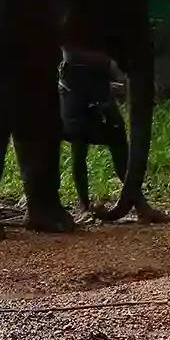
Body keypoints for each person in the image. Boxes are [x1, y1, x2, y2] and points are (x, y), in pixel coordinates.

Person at [59, 48, 130, 215]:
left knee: (119, 140)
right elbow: (71, 53)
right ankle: (84, 204)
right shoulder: (71, 29)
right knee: (78, 146)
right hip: (74, 93)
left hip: (100, 92)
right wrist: (109, 62)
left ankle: (135, 199)